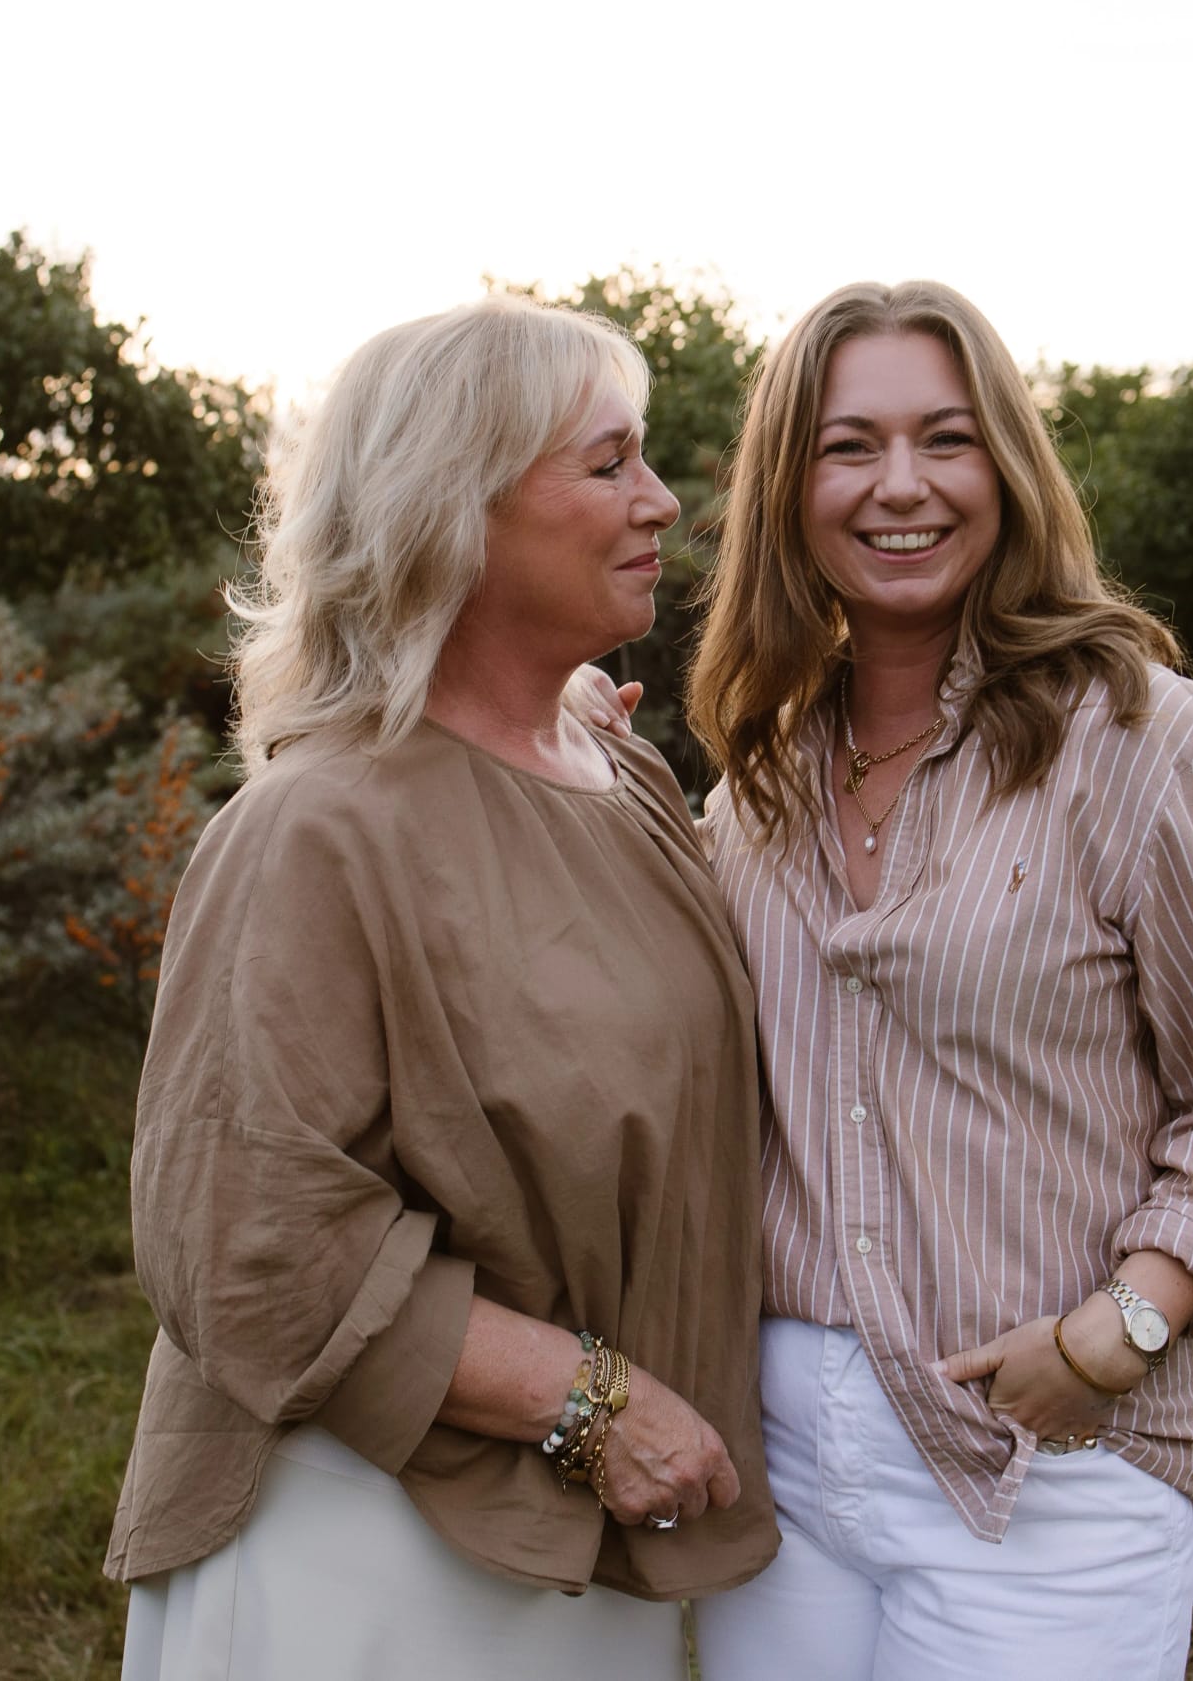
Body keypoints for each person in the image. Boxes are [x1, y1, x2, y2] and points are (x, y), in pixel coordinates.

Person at [103, 294, 777, 1680]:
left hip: (593, 1551)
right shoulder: (316, 828)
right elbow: (249, 1242)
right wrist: (596, 1405)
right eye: (608, 464)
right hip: (368, 1554)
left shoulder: (632, 781)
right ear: (453, 508)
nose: (661, 501)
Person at [678, 281, 1193, 1681]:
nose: (899, 486)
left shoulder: (1144, 741)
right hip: (782, 1466)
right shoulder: (758, 776)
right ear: (788, 487)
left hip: (1052, 1463)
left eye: (948, 439)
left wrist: (1120, 1333)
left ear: (1012, 470)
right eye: (848, 445)